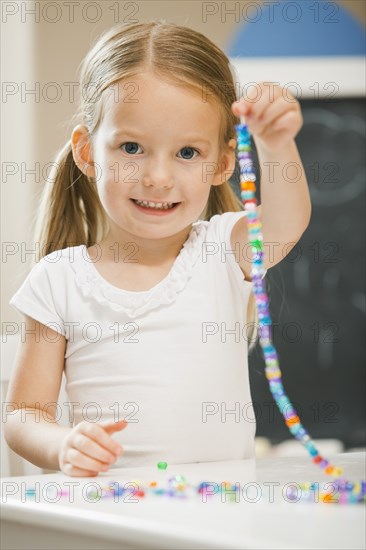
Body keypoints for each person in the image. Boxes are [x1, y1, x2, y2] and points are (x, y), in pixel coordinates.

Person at [4, 21, 311, 477]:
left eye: (187, 153)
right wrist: (63, 444)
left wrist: (277, 144)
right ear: (88, 153)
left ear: (222, 164)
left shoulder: (221, 252)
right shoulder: (58, 280)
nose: (158, 177)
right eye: (132, 147)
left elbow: (286, 225)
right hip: (114, 517)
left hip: (219, 516)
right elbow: (23, 415)